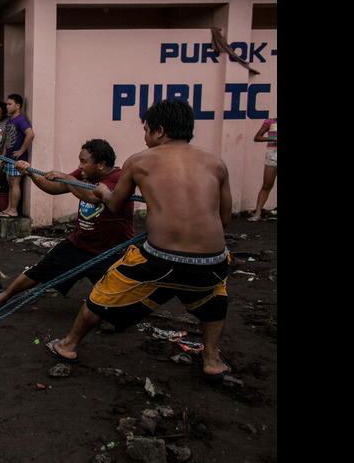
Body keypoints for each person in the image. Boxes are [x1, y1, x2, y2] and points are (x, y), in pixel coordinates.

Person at [46, 99, 233, 384]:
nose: (144, 137)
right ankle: (212, 360)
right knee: (214, 297)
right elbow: (225, 218)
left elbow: (115, 205)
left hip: (161, 258)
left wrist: (102, 192)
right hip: (213, 261)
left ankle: (68, 345)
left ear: (159, 131)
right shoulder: (216, 163)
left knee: (103, 292)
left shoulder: (140, 160)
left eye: (145, 130)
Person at [0, 139, 134, 308]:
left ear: (102, 164)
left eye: (84, 162)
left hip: (112, 251)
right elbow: (52, 187)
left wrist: (65, 177)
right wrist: (30, 173)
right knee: (39, 270)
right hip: (81, 243)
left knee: (114, 301)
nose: (80, 166)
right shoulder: (84, 175)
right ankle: (4, 297)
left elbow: (92, 196)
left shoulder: (118, 179)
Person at [0, 94, 34, 218]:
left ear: (17, 106)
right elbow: (8, 140)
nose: (7, 106)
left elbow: (30, 134)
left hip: (17, 159)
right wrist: (3, 156)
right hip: (8, 158)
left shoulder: (21, 120)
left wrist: (21, 151)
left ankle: (13, 210)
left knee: (15, 182)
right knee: (10, 182)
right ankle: (9, 208)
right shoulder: (10, 121)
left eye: (9, 104)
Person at [249, 117, 277, 221]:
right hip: (273, 154)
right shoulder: (270, 122)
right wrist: (272, 139)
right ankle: (257, 213)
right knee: (267, 184)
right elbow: (257, 137)